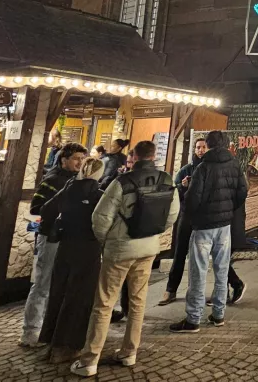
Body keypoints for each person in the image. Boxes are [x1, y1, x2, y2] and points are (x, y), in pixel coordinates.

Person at [70, 140, 179, 377]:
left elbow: (101, 217)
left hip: (120, 248)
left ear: (135, 157)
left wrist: (106, 240)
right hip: (149, 248)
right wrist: (153, 232)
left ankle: (89, 360)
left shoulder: (122, 182)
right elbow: (172, 215)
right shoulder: (168, 180)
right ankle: (129, 352)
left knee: (104, 303)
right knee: (138, 302)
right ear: (153, 156)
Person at [170, 130, 247, 333]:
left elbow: (193, 198)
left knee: (198, 271)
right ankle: (219, 314)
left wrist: (190, 211)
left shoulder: (203, 167)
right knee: (222, 270)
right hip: (224, 225)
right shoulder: (234, 164)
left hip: (204, 226)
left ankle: (193, 318)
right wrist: (229, 209)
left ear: (210, 145)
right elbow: (242, 191)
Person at [39, 158, 105, 362]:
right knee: (80, 298)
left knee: (58, 293)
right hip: (88, 250)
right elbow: (106, 221)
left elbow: (45, 210)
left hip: (65, 246)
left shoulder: (68, 189)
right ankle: (69, 346)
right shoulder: (99, 195)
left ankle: (51, 343)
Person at [21, 142, 87, 347]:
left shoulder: (81, 180)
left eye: (83, 159)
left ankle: (51, 330)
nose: (80, 162)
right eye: (77, 158)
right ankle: (30, 332)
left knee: (62, 285)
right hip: (51, 237)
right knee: (43, 284)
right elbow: (37, 208)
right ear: (63, 160)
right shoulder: (52, 180)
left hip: (71, 239)